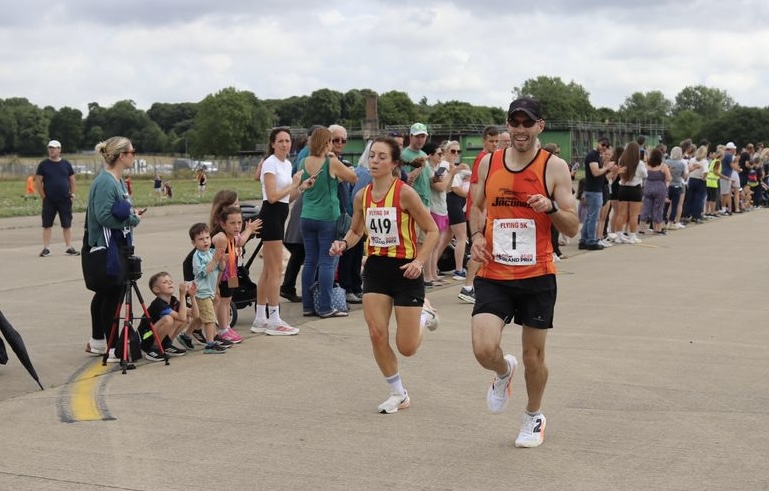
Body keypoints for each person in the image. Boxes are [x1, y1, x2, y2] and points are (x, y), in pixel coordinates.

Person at [469, 97, 578, 448]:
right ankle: (503, 371)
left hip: (536, 274)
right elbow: (476, 206)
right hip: (495, 271)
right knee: (484, 349)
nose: (519, 130)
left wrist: (550, 208)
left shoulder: (554, 167)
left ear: (539, 127)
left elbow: (573, 226)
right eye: (513, 123)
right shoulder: (489, 162)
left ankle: (533, 416)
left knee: (534, 357)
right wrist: (474, 236)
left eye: (526, 123)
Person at [329, 136, 439, 414]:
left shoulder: (405, 193)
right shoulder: (361, 196)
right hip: (377, 269)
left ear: (393, 163)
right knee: (377, 334)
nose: (375, 161)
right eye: (372, 156)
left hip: (405, 270)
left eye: (381, 157)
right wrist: (343, 243)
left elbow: (433, 230)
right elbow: (356, 231)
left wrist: (420, 261)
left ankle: (425, 315)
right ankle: (398, 393)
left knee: (407, 347)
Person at [83, 137, 142, 358]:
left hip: (115, 244)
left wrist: (130, 215)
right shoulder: (106, 182)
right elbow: (104, 216)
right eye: (132, 152)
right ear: (121, 155)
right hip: (105, 245)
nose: (134, 156)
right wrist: (132, 220)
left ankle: (98, 341)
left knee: (104, 292)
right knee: (112, 293)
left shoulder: (116, 180)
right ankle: (112, 346)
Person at [250, 127, 306, 335]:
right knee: (275, 271)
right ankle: (274, 319)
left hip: (280, 214)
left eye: (287, 140)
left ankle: (260, 317)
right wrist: (293, 184)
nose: (285, 144)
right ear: (273, 143)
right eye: (280, 141)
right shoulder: (270, 163)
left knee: (268, 270)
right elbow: (272, 196)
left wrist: (300, 188)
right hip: (271, 215)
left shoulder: (287, 163)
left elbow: (287, 198)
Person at [298, 126, 357, 318]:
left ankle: (307, 305)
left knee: (310, 261)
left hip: (307, 216)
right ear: (327, 143)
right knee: (327, 262)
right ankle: (325, 306)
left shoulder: (304, 161)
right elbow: (353, 178)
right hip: (327, 218)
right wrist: (337, 164)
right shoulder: (331, 162)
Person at [459, 126, 500, 303]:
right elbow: (475, 187)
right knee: (480, 248)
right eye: (491, 141)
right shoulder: (482, 159)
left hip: (487, 210)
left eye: (496, 141)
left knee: (487, 249)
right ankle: (467, 287)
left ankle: (478, 284)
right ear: (484, 140)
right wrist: (480, 212)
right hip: (479, 211)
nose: (494, 144)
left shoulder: (492, 158)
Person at [211, 205, 262, 342]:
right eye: (232, 223)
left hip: (231, 273)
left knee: (227, 301)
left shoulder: (233, 236)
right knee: (222, 301)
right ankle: (222, 329)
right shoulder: (221, 238)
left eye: (239, 223)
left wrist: (249, 229)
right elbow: (216, 260)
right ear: (223, 224)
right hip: (221, 276)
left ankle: (226, 327)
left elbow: (240, 240)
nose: (237, 226)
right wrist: (215, 285)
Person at [35, 140, 79, 257]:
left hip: (64, 199)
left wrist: (72, 194)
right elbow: (38, 181)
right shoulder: (44, 165)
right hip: (49, 200)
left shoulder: (66, 164)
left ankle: (69, 247)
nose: (51, 150)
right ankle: (46, 248)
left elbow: (72, 179)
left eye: (54, 148)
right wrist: (43, 196)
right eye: (50, 148)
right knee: (47, 224)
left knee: (67, 224)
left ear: (59, 149)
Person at [189, 222, 227, 354]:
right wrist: (215, 260)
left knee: (200, 317)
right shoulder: (197, 256)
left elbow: (221, 269)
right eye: (200, 239)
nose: (205, 241)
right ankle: (210, 344)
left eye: (207, 238)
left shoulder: (211, 252)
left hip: (210, 291)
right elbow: (204, 272)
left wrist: (221, 260)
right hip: (201, 292)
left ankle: (186, 335)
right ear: (194, 243)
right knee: (210, 319)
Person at [137, 272, 190, 361]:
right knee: (168, 319)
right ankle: (154, 349)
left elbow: (194, 314)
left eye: (171, 281)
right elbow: (181, 317)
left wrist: (193, 296)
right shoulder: (158, 304)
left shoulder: (173, 301)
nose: (170, 283)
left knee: (184, 317)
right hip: (146, 337)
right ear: (157, 289)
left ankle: (166, 345)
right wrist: (182, 295)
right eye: (165, 282)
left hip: (155, 334)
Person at [579, 137, 615, 250]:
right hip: (594, 191)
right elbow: (595, 172)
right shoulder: (592, 156)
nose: (604, 148)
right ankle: (591, 241)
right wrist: (606, 167)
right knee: (593, 217)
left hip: (595, 189)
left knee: (590, 216)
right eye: (603, 145)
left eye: (606, 146)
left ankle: (584, 240)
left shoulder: (596, 156)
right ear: (598, 143)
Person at [612, 141, 647, 244]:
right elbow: (645, 175)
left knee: (621, 213)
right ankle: (632, 236)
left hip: (623, 188)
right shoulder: (639, 163)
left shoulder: (621, 160)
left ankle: (619, 235)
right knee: (634, 214)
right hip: (635, 189)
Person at [640, 148, 671, 235]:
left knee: (646, 208)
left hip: (648, 187)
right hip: (660, 188)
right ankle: (657, 228)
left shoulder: (647, 166)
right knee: (658, 209)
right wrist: (666, 186)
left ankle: (642, 228)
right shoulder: (663, 166)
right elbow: (668, 178)